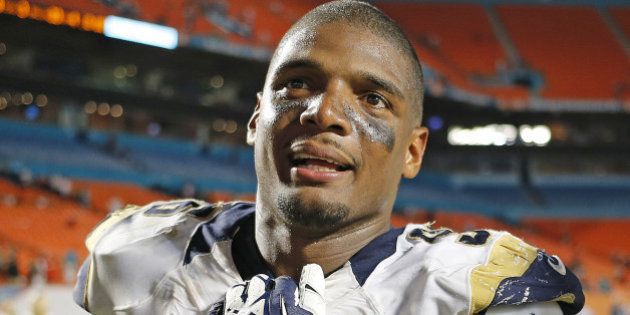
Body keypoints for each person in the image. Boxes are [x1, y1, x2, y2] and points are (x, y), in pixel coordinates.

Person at [73, 1, 584, 314]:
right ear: (257, 119)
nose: (325, 114)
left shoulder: (475, 290)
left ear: (412, 151)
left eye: (373, 99)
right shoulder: (136, 256)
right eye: (299, 83)